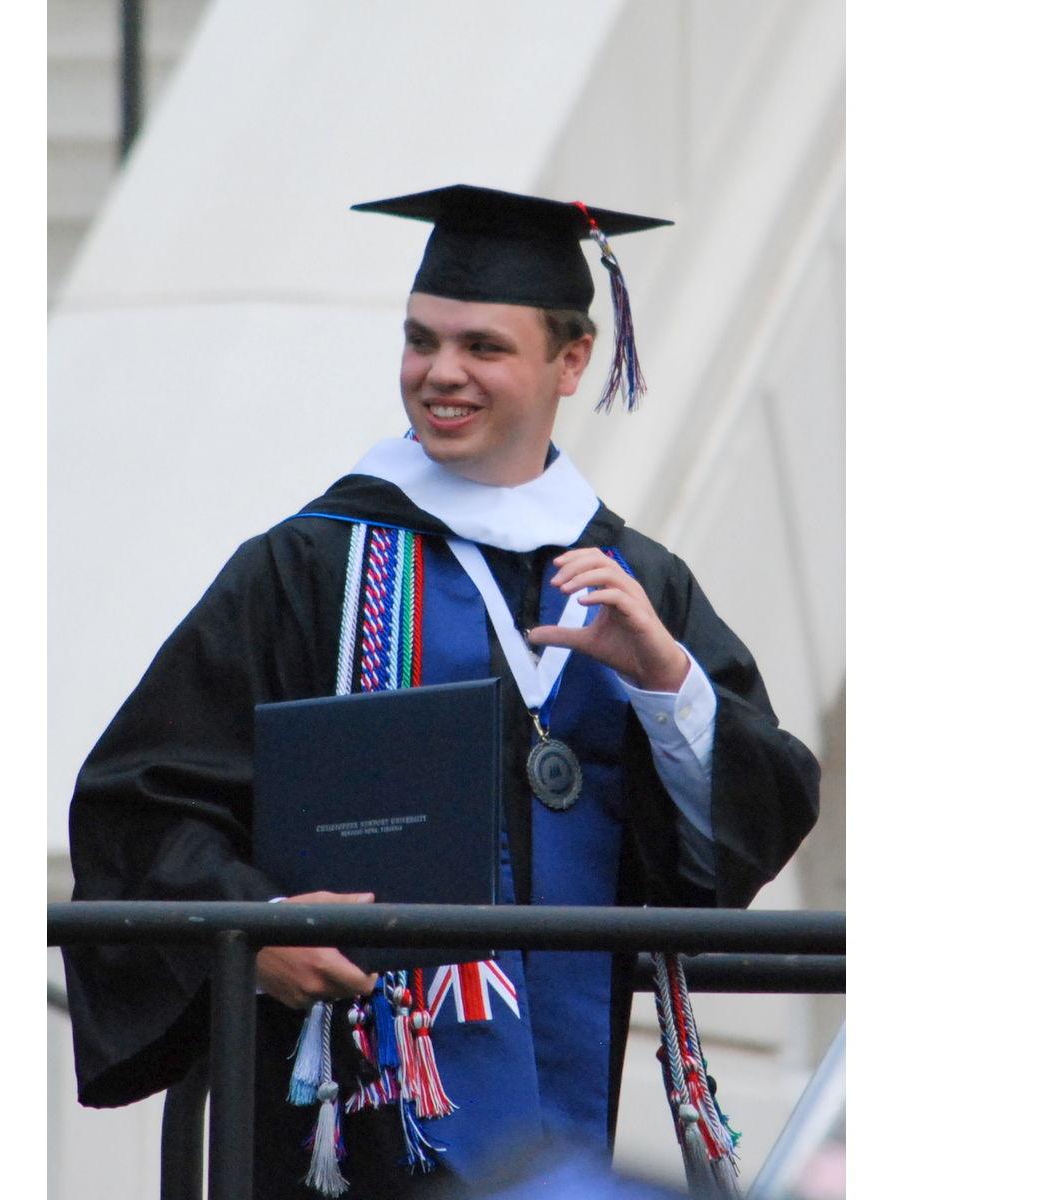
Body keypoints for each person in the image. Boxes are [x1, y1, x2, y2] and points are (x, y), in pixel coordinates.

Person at [61, 184, 820, 1198]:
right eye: (421, 341)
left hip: (570, 1119)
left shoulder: (639, 584)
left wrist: (668, 687)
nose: (440, 374)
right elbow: (137, 805)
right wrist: (256, 927)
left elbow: (749, 829)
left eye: (482, 347)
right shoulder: (307, 573)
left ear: (572, 360)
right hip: (353, 1130)